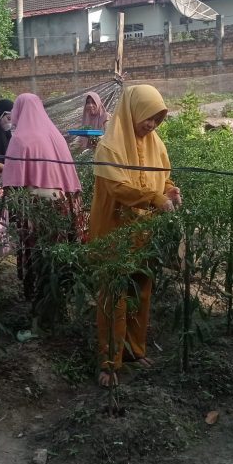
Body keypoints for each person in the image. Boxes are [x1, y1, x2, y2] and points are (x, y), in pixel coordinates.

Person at [90, 84, 181, 387]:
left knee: (140, 290)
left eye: (158, 119)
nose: (152, 125)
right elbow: (119, 189)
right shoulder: (109, 147)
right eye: (148, 118)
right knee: (114, 295)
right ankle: (109, 361)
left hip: (144, 231)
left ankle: (133, 350)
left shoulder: (156, 143)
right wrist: (154, 198)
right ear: (133, 112)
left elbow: (164, 178)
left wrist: (170, 190)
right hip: (114, 233)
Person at [1, 93, 85, 325]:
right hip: (63, 205)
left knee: (37, 255)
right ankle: (58, 304)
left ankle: (41, 311)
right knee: (57, 255)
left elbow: (12, 183)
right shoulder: (55, 135)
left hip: (36, 208)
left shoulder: (20, 139)